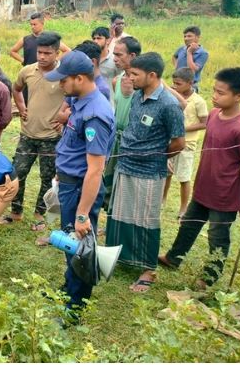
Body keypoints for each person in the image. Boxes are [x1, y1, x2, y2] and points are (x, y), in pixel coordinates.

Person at [159, 68, 240, 290]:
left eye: (221, 93)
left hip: (225, 195)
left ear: (239, 96)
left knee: (218, 237)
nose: (215, 96)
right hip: (204, 187)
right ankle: (174, 257)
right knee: (189, 225)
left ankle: (209, 277)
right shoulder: (213, 114)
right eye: (214, 90)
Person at [105, 52, 186, 293]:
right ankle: (119, 256)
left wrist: (156, 156)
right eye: (129, 73)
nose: (130, 78)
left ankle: (148, 269)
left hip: (149, 172)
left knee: (146, 220)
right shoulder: (139, 95)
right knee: (120, 215)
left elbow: (178, 143)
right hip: (126, 165)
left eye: (135, 74)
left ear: (152, 75)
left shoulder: (168, 105)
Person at [44, 50, 115, 315]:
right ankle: (68, 289)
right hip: (69, 183)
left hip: (79, 189)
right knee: (70, 245)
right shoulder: (79, 102)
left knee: (80, 248)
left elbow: (95, 170)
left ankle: (75, 306)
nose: (60, 84)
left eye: (64, 80)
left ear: (80, 78)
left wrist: (83, 213)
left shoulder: (95, 114)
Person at [2, 32, 65, 233]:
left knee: (47, 178)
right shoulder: (28, 71)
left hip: (51, 138)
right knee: (17, 173)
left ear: (57, 53)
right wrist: (21, 107)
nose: (42, 56)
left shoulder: (64, 75)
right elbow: (17, 88)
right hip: (27, 135)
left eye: (47, 53)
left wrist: (65, 117)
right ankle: (16, 212)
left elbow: (75, 98)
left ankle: (40, 215)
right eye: (40, 52)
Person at [162, 67, 208, 219]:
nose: (175, 86)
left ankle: (183, 209)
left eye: (179, 84)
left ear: (190, 83)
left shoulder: (198, 101)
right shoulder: (173, 96)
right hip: (171, 141)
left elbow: (204, 123)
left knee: (183, 177)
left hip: (187, 144)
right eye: (173, 83)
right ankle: (162, 201)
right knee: (166, 173)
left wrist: (182, 128)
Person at [102, 36, 141, 210]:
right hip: (116, 141)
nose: (114, 59)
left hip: (135, 143)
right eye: (113, 54)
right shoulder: (116, 80)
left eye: (119, 55)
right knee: (110, 187)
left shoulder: (145, 83)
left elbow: (181, 104)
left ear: (132, 56)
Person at [100, 13, 131, 83]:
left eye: (122, 24)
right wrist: (111, 36)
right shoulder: (105, 37)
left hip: (121, 68)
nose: (121, 26)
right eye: (118, 24)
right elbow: (101, 50)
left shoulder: (128, 38)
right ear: (112, 24)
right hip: (107, 69)